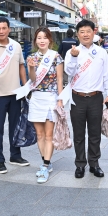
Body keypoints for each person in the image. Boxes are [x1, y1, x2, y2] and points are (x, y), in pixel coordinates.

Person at [65, 19, 108, 179]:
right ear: (77, 34)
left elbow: (107, 75)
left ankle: (94, 163)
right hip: (77, 98)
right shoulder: (71, 52)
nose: (85, 34)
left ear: (94, 33)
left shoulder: (101, 52)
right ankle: (80, 164)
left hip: (95, 98)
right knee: (78, 134)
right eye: (82, 32)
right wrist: (73, 57)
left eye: (88, 31)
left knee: (95, 133)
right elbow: (69, 73)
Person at [0, 17, 30, 174]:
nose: (1, 31)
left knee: (16, 127)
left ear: (9, 29)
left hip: (15, 93)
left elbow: (21, 67)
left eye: (4, 28)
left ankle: (15, 155)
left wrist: (25, 87)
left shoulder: (15, 46)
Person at [27, 27, 64, 183]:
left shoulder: (56, 57)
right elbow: (33, 80)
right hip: (36, 98)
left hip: (50, 98)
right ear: (36, 41)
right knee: (40, 135)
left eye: (44, 37)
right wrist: (30, 67)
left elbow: (60, 79)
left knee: (49, 135)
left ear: (50, 40)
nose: (42, 40)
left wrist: (60, 99)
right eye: (39, 38)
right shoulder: (32, 57)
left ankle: (45, 165)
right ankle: (45, 163)